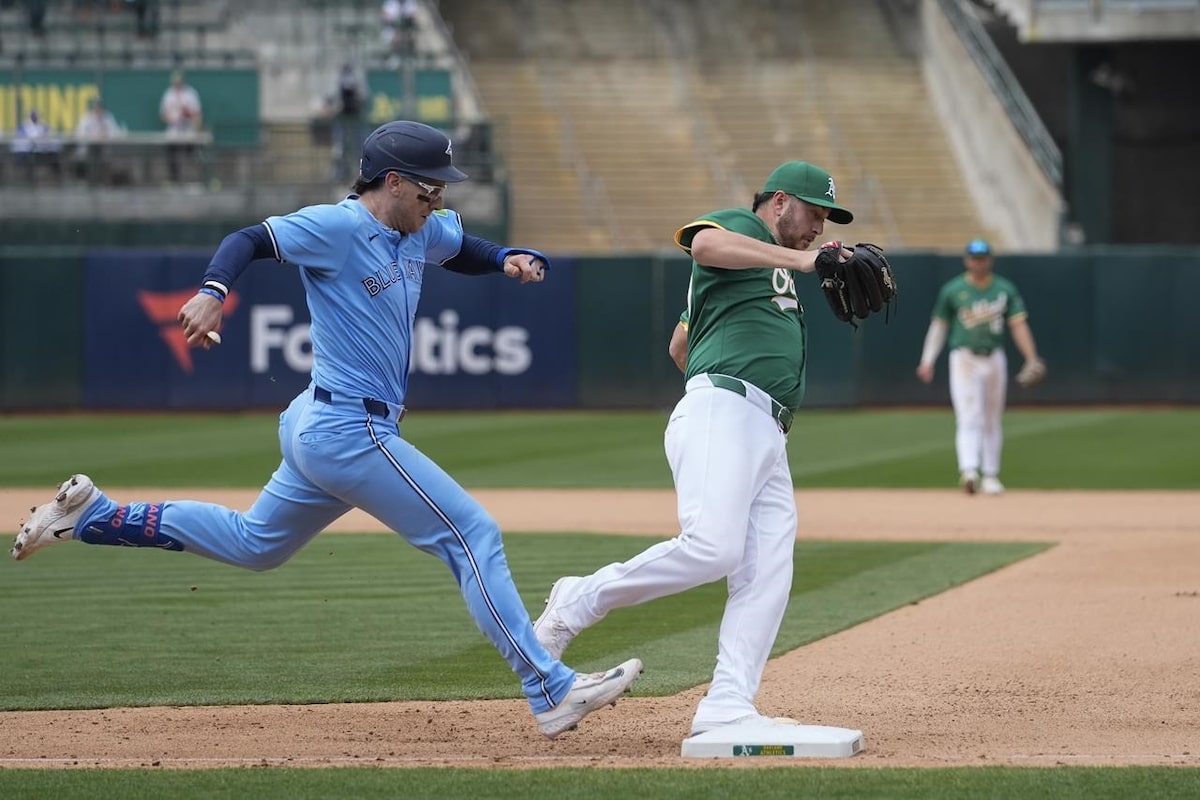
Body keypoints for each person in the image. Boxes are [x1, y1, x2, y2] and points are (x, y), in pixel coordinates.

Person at [13, 120, 642, 740]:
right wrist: (212, 291)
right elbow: (248, 239)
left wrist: (506, 259)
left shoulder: (418, 227)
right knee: (472, 534)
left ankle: (95, 517)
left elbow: (462, 247)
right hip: (347, 428)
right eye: (430, 189)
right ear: (393, 182)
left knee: (256, 544)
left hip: (321, 425)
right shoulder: (336, 227)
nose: (438, 201)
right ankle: (549, 689)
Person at [534, 160, 856, 738]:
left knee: (767, 570)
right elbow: (704, 244)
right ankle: (577, 600)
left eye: (826, 220)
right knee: (712, 548)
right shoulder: (745, 228)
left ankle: (728, 704)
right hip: (728, 410)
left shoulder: (758, 268)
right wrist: (714, 395)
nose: (819, 228)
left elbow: (680, 343)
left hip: (765, 430)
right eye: (814, 212)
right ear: (780, 201)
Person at [915, 238, 1044, 495]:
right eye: (974, 258)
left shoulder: (1004, 289)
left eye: (982, 258)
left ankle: (991, 475)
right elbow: (939, 326)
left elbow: (1018, 325)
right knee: (968, 415)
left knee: (992, 417)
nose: (978, 262)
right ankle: (969, 471)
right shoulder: (953, 290)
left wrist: (1031, 357)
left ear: (990, 260)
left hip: (994, 356)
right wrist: (927, 359)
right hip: (964, 358)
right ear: (967, 260)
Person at [159, 70, 203, 182]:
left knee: (195, 152)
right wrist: (171, 119)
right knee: (170, 151)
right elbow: (163, 115)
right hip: (174, 128)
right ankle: (174, 179)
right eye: (175, 82)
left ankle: (200, 178)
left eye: (179, 81)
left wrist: (188, 114)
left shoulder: (190, 94)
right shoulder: (168, 94)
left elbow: (197, 115)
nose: (177, 84)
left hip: (188, 128)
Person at [72, 96, 125, 183]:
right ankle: (92, 180)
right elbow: (79, 135)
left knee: (104, 155)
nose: (98, 110)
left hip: (105, 149)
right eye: (96, 108)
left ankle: (102, 180)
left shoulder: (107, 117)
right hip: (87, 149)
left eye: (100, 108)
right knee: (93, 154)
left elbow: (116, 133)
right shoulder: (86, 118)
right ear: (93, 109)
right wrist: (93, 136)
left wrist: (106, 135)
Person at [329, 63, 367, 182]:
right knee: (340, 148)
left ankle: (360, 173)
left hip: (356, 118)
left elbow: (363, 98)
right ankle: (340, 174)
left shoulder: (358, 81)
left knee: (360, 148)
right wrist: (338, 106)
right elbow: (333, 100)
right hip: (341, 119)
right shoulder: (337, 82)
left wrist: (356, 102)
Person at [11, 108, 63, 182]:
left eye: (37, 116)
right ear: (31, 117)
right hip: (26, 152)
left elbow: (50, 134)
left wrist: (46, 134)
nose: (36, 118)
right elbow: (21, 140)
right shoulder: (24, 126)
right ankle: (29, 177)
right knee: (29, 158)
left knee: (54, 155)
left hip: (41, 150)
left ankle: (57, 176)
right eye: (34, 116)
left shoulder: (43, 125)